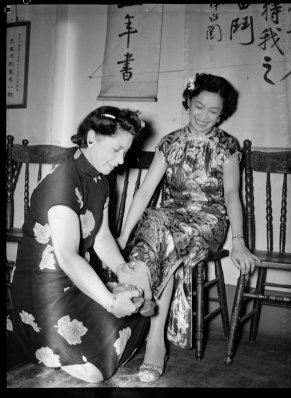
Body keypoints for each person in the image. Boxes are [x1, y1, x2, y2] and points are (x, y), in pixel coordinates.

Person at [117, 73, 260, 383]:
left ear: (222, 113)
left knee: (167, 239)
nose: (204, 117)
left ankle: (155, 339)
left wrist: (238, 241)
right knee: (153, 220)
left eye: (213, 111)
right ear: (188, 102)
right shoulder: (170, 142)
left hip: (208, 220)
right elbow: (144, 192)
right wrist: (123, 235)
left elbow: (234, 196)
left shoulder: (227, 146)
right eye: (199, 107)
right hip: (172, 215)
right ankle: (139, 299)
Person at [8, 106, 151, 383]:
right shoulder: (62, 182)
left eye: (125, 152)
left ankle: (47, 343)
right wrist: (110, 302)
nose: (121, 161)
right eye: (116, 150)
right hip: (43, 289)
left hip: (74, 282)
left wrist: (122, 268)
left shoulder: (101, 181)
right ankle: (30, 336)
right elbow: (67, 256)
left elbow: (102, 237)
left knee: (136, 316)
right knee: (98, 370)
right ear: (91, 138)